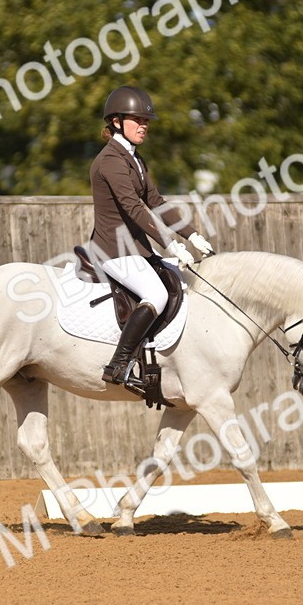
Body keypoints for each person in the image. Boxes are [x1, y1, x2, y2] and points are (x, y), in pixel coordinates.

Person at [89, 85, 214, 385]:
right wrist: (171, 245)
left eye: (146, 121)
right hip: (113, 250)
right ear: (117, 121)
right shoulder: (110, 161)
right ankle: (118, 365)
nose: (144, 126)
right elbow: (134, 208)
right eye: (137, 120)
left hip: (136, 248)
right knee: (156, 294)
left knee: (180, 283)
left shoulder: (135, 159)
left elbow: (155, 202)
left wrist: (192, 235)